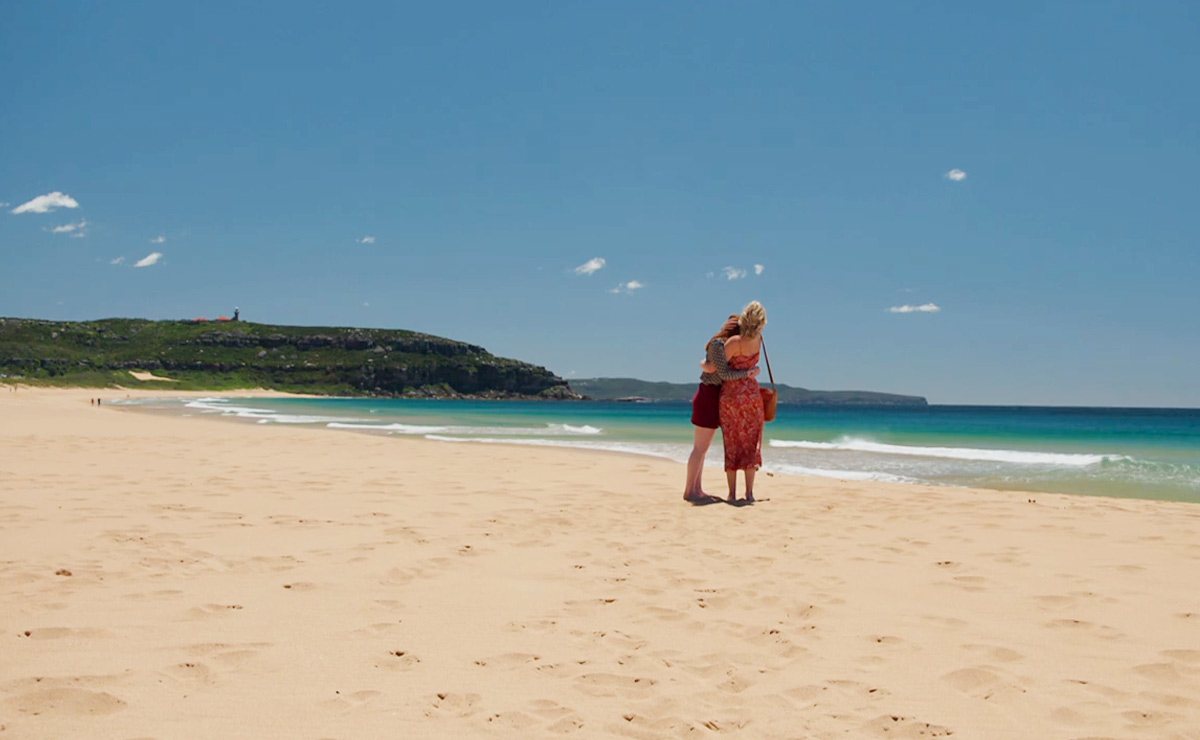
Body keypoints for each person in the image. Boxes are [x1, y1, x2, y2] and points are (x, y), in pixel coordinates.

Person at [684, 315, 760, 503]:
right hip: (708, 396)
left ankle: (696, 489)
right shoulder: (719, 345)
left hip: (711, 396)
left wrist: (706, 365)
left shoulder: (723, 346)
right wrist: (747, 373)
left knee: (702, 449)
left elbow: (712, 367)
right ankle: (690, 491)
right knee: (699, 449)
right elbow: (723, 373)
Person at [719, 301, 767, 503]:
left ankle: (731, 494)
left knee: (732, 442)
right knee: (750, 443)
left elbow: (720, 369)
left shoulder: (734, 342)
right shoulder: (759, 340)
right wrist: (751, 372)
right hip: (752, 395)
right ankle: (749, 493)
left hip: (731, 395)